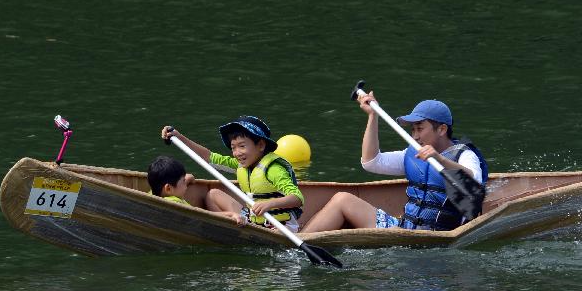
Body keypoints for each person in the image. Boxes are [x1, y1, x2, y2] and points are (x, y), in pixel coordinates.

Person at [302, 92, 488, 232]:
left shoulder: (464, 155)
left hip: (438, 235)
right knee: (342, 199)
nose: (414, 136)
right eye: (413, 129)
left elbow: (473, 183)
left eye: (420, 129)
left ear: (441, 129)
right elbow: (371, 162)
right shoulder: (413, 153)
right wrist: (372, 117)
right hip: (404, 229)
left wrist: (439, 159)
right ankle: (298, 242)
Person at [161, 116, 304, 232]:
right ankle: (228, 230)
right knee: (213, 194)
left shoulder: (273, 169)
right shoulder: (241, 165)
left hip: (280, 227)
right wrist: (179, 137)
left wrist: (270, 204)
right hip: (254, 220)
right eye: (233, 148)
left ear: (260, 145)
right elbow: (209, 157)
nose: (237, 153)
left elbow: (297, 198)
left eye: (242, 146)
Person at [147, 155, 247, 225]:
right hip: (206, 227)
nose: (185, 185)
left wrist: (185, 180)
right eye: (183, 182)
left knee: (214, 193)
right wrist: (231, 214)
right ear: (168, 188)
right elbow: (205, 215)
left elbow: (173, 189)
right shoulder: (175, 204)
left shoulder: (153, 194)